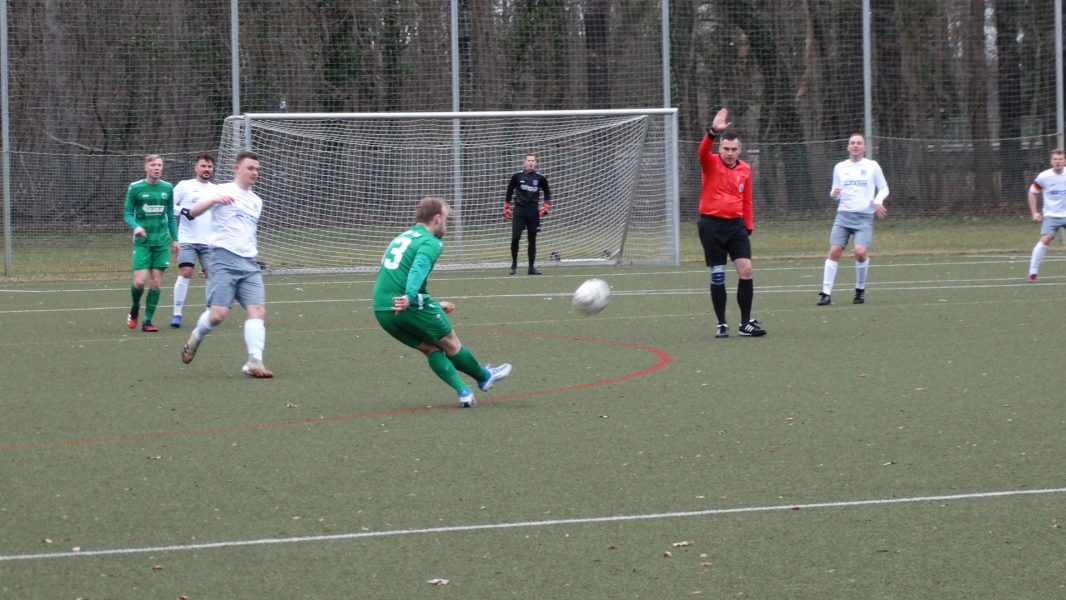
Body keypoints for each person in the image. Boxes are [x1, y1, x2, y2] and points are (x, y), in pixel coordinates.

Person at [375, 197, 511, 407]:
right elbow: (418, 268)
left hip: (382, 309)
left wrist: (431, 304)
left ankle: (464, 392)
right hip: (407, 303)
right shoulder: (431, 242)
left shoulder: (403, 237)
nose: (446, 225)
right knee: (451, 343)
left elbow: (394, 276)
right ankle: (484, 377)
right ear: (437, 218)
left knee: (430, 349)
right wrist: (410, 297)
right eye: (446, 219)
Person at [179, 151, 273, 378]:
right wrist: (213, 200)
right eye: (250, 168)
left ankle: (255, 361)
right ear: (237, 169)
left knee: (257, 311)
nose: (254, 173)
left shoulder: (256, 201)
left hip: (248, 264)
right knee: (217, 315)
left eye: (257, 169)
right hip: (222, 261)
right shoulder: (221, 190)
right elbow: (192, 212)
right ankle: (196, 337)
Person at [697, 108, 766, 338]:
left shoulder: (744, 168)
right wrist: (713, 131)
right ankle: (722, 324)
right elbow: (702, 151)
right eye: (726, 149)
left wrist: (748, 225)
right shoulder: (709, 162)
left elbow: (747, 199)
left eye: (733, 149)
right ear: (720, 149)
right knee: (718, 275)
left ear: (739, 150)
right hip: (711, 226)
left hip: (736, 226)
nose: (729, 153)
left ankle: (745, 324)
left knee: (746, 270)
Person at [818, 134, 889, 306]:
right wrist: (834, 194)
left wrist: (878, 202)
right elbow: (835, 191)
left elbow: (884, 188)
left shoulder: (872, 166)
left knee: (860, 252)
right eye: (852, 143)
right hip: (843, 216)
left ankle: (859, 289)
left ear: (864, 147)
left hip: (864, 217)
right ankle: (826, 294)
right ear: (848, 147)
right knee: (834, 250)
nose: (855, 145)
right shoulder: (840, 167)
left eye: (859, 143)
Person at [124, 155, 179, 333]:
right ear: (145, 168)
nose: (157, 168)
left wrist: (175, 239)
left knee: (155, 282)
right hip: (143, 243)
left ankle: (147, 320)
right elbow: (127, 213)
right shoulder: (135, 188)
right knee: (140, 282)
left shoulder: (167, 188)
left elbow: (170, 215)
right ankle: (135, 306)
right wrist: (136, 227)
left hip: (161, 242)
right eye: (153, 165)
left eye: (159, 165)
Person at [170, 153, 216, 328]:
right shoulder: (185, 185)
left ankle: (209, 313)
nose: (206, 169)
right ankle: (177, 313)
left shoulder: (216, 189)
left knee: (211, 275)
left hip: (209, 242)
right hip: (187, 239)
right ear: (196, 168)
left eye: (209, 166)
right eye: (203, 166)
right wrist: (184, 211)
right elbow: (169, 206)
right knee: (186, 272)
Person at [504, 153, 552, 275]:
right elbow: (509, 191)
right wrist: (506, 207)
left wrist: (546, 205)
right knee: (515, 237)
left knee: (532, 239)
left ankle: (531, 268)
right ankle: (514, 264)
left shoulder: (540, 178)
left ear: (536, 163)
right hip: (519, 210)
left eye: (533, 161)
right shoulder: (517, 176)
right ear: (525, 162)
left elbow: (547, 192)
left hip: (533, 211)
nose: (531, 163)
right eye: (529, 160)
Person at [1027, 149, 1066, 282]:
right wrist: (1035, 213)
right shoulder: (1044, 177)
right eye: (1055, 159)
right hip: (1051, 215)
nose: (1058, 161)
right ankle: (1032, 273)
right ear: (1051, 161)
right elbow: (1032, 192)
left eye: (1060, 159)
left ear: (1064, 161)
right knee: (1045, 239)